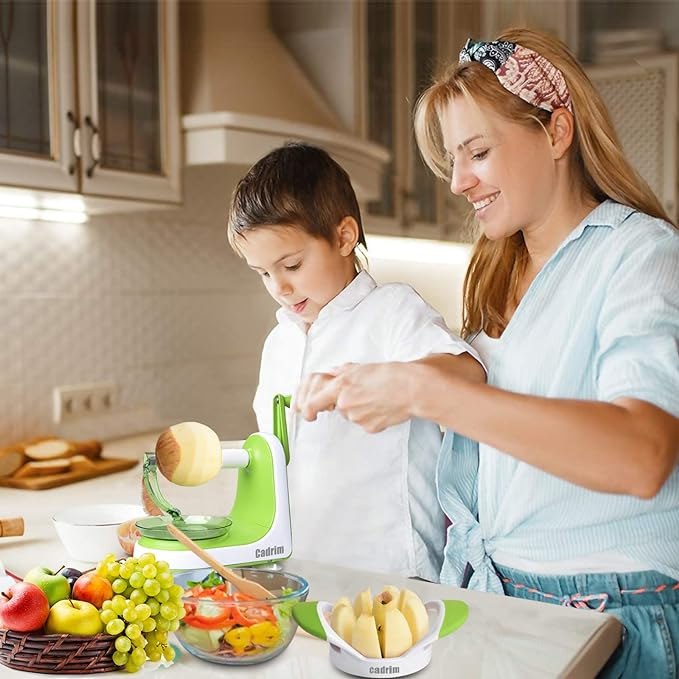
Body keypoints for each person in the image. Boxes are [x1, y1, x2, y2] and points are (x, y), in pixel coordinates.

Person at [294, 29, 679, 677]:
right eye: (451, 161)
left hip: (612, 606)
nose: (458, 181)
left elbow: (640, 455)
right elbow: (492, 393)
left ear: (557, 132)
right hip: (505, 593)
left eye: (476, 152)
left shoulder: (638, 254)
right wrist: (401, 376)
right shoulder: (501, 272)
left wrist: (428, 392)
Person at [226, 142, 484, 580]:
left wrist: (391, 383)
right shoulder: (279, 343)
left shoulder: (392, 312)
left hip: (394, 573)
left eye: (291, 264)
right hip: (303, 569)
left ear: (344, 237)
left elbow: (469, 373)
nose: (280, 288)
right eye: (264, 273)